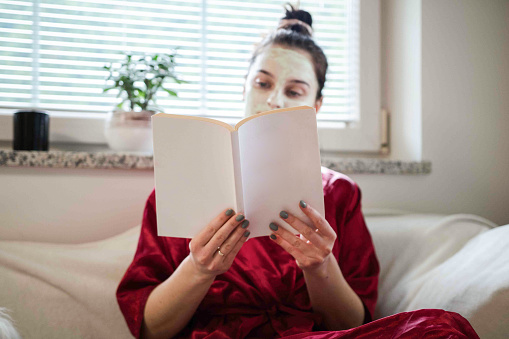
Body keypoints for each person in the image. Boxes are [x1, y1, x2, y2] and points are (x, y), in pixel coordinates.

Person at [116, 4, 479, 339]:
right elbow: (150, 330)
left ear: (315, 105)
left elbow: (353, 325)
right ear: (244, 85)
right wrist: (199, 268)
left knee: (442, 329)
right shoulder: (176, 188)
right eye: (262, 83)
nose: (274, 100)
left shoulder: (339, 193)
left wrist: (320, 266)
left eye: (295, 91)